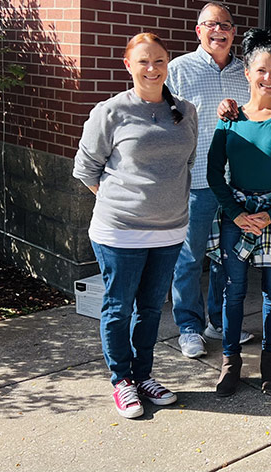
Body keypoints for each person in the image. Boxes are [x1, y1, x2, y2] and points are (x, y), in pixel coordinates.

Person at [73, 33, 198, 419]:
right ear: (128, 65)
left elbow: (186, 163)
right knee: (118, 307)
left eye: (159, 61)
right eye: (143, 61)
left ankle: (143, 376)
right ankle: (121, 381)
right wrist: (122, 201)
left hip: (171, 230)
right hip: (120, 232)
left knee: (150, 308)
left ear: (168, 64)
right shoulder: (109, 112)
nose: (152, 68)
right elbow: (85, 169)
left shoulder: (186, 111)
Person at [205, 29, 271, 396]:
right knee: (233, 292)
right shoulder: (230, 117)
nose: (268, 78)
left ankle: (268, 362)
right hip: (236, 217)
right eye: (261, 70)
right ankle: (230, 362)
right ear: (247, 72)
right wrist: (235, 213)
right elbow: (213, 172)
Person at [165, 2, 254, 358]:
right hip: (196, 180)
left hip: (236, 182)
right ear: (198, 30)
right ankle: (189, 327)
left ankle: (217, 321)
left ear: (235, 33)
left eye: (227, 25)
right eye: (211, 24)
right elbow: (162, 120)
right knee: (189, 257)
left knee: (227, 258)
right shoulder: (178, 70)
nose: (220, 30)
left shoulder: (245, 72)